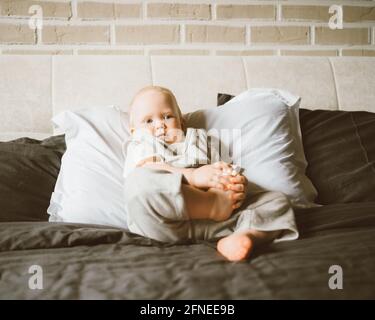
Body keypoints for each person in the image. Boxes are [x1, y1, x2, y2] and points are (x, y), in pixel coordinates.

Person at [123, 85, 298, 262]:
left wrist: (235, 184)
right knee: (138, 185)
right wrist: (193, 176)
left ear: (181, 122)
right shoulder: (139, 142)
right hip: (163, 224)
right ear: (134, 131)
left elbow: (224, 169)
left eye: (167, 117)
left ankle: (245, 237)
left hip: (218, 224)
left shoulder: (203, 139)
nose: (160, 124)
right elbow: (150, 168)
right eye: (148, 121)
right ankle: (212, 204)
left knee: (276, 201)